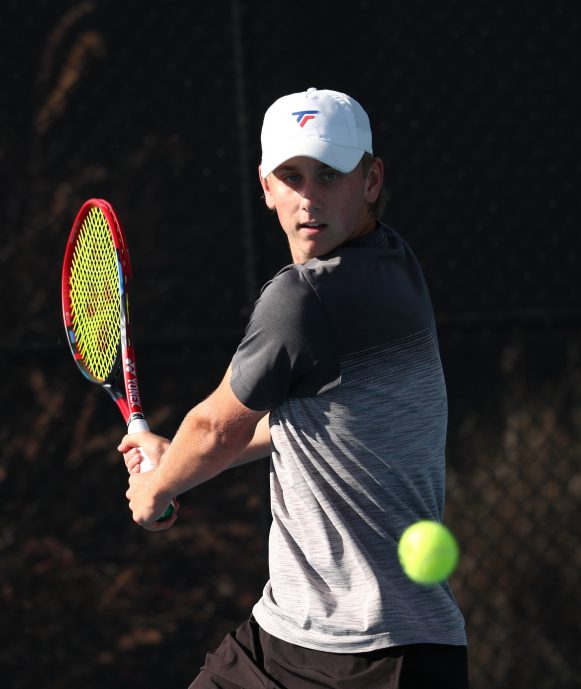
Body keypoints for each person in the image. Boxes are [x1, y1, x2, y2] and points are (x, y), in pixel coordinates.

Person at [119, 87, 468, 689]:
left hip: (377, 660)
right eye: (292, 175)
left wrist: (156, 490)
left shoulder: (303, 298)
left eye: (330, 174)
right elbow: (312, 419)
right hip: (284, 639)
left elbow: (214, 428)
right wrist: (175, 459)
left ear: (371, 178)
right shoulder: (398, 265)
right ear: (266, 187)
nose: (310, 198)